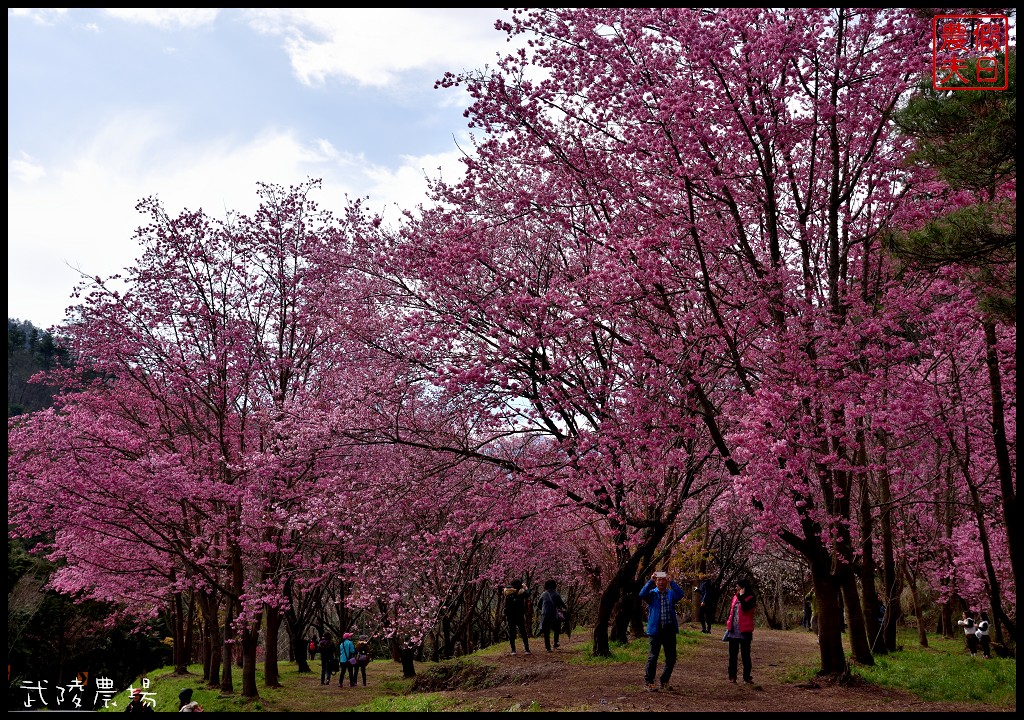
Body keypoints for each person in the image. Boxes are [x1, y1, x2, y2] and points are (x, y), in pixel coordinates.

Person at [638, 570, 684, 692]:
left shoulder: (670, 594)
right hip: (656, 629)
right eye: (658, 580)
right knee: (653, 656)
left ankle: (664, 681)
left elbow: (680, 594)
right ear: (656, 582)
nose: (661, 582)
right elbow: (641, 594)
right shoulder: (652, 595)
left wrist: (672, 582)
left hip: (669, 629)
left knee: (671, 657)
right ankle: (649, 682)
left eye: (663, 579)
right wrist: (650, 581)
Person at [723, 577, 757, 684]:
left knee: (745, 655)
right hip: (733, 630)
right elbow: (731, 612)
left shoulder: (751, 597)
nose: (736, 587)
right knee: (732, 655)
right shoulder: (735, 597)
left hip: (745, 630)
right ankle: (732, 676)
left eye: (738, 586)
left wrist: (742, 597)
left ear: (743, 587)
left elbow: (746, 608)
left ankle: (746, 676)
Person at [503, 579, 532, 655]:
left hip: (510, 615)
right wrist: (525, 587)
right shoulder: (521, 593)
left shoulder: (507, 592)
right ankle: (527, 649)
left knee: (512, 632)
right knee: (523, 632)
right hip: (519, 615)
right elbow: (528, 593)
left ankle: (513, 650)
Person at [539, 579, 568, 652]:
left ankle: (548, 647)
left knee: (546, 631)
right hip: (554, 614)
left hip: (545, 614)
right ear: (554, 585)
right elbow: (561, 604)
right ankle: (555, 642)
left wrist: (543, 610)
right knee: (556, 629)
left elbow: (539, 604)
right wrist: (565, 609)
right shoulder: (556, 594)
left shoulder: (543, 594)